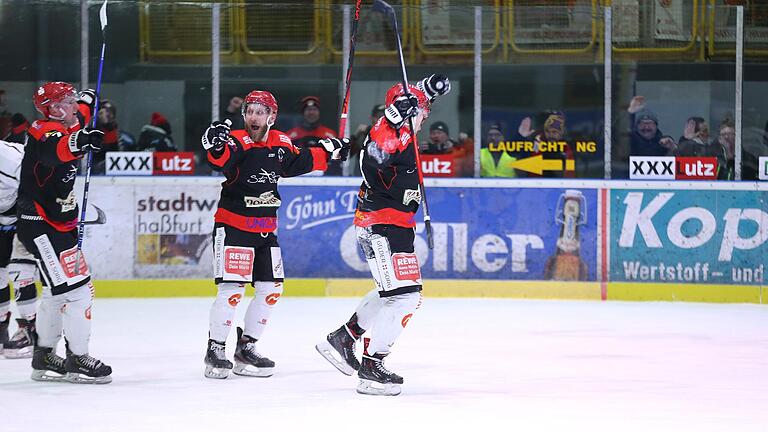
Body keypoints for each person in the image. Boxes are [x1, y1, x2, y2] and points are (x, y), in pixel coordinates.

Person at [315, 73, 451, 396]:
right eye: (419, 110)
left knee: (394, 293)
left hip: (395, 226)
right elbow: (375, 155)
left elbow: (411, 93)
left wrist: (429, 87)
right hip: (383, 225)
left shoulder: (406, 130)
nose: (424, 114)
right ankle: (372, 365)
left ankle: (346, 337)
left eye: (424, 109)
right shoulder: (393, 133)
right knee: (405, 297)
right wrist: (392, 119)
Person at [200, 89, 349, 379]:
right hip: (234, 229)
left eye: (260, 111)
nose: (253, 116)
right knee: (232, 291)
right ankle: (215, 349)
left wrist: (330, 152)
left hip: (266, 232)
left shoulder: (280, 142)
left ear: (271, 117)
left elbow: (300, 161)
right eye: (249, 111)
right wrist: (214, 145)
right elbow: (220, 160)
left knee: (271, 290)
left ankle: (247, 347)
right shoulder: (235, 141)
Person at [18, 81, 111, 383]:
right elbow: (54, 151)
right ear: (55, 109)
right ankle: (77, 358)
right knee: (79, 292)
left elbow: (82, 115)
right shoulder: (45, 132)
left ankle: (43, 357)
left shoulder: (68, 119)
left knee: (58, 294)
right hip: (41, 225)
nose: (73, 105)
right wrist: (80, 141)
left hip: (57, 225)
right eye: (68, 101)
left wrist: (87, 99)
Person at [0, 138, 40, 359]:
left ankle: (30, 330)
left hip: (28, 209)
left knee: (19, 271)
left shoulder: (9, 159)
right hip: (3, 216)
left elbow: (41, 178)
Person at [286, 96, 340, 175]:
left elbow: (337, 160)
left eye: (314, 109)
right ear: (303, 113)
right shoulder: (291, 135)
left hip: (325, 178)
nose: (311, 113)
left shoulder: (329, 134)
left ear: (319, 112)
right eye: (308, 110)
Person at [93, 100, 136, 174]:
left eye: (109, 113)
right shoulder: (92, 136)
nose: (107, 116)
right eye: (101, 113)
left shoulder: (125, 138)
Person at [349, 104, 386, 177]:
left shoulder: (393, 136)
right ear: (371, 118)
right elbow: (346, 155)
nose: (381, 120)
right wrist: (356, 136)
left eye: (384, 117)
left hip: (383, 181)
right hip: (361, 179)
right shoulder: (364, 133)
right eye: (378, 116)